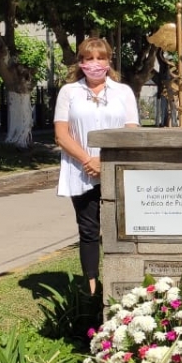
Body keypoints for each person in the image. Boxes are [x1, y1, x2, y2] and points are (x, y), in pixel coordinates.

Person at [54, 38, 139, 295]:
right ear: (80, 62)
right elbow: (61, 133)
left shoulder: (123, 92)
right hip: (81, 171)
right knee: (89, 229)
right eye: (89, 59)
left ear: (108, 61)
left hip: (115, 169)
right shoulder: (69, 92)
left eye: (100, 58)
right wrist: (87, 159)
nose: (94, 64)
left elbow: (131, 131)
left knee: (121, 227)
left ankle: (125, 285)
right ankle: (91, 288)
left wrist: (104, 160)